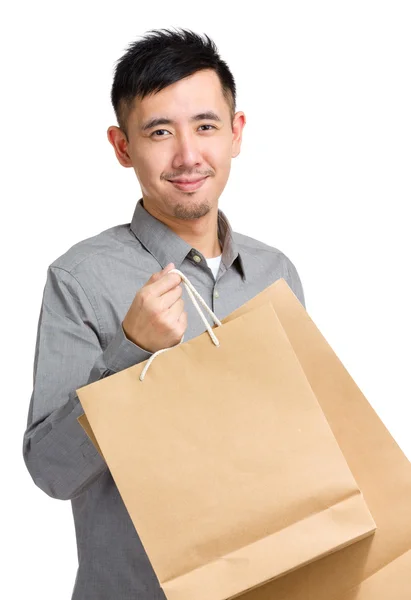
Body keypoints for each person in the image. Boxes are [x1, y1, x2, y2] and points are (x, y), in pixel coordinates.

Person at [23, 27, 306, 600]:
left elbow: (304, 446)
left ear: (236, 133)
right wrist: (133, 352)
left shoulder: (277, 274)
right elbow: (52, 472)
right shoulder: (81, 279)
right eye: (159, 132)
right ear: (122, 146)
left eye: (206, 126)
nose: (187, 155)